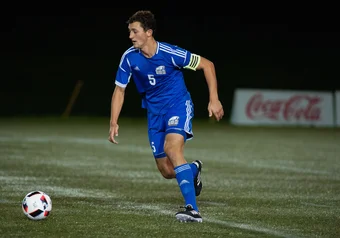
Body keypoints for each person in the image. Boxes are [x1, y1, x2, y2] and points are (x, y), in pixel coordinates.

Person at [108, 10, 224, 223]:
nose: (131, 36)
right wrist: (114, 121)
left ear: (149, 32)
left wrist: (214, 99)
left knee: (172, 149)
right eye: (130, 32)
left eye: (135, 31)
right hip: (154, 115)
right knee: (167, 171)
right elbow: (120, 90)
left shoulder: (170, 53)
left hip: (178, 106)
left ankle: (192, 210)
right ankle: (193, 169)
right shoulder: (129, 57)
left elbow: (207, 65)